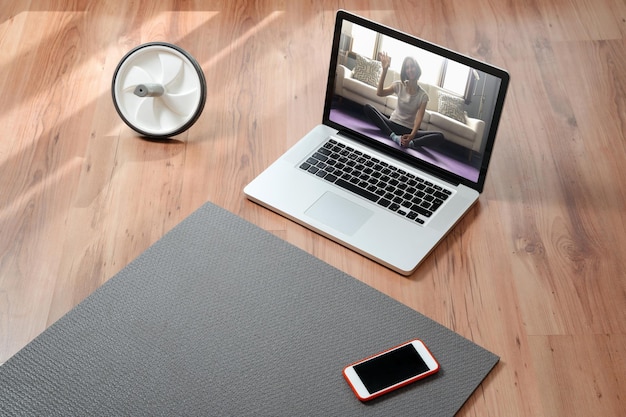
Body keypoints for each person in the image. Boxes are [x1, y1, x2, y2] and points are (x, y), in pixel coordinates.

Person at [364, 52, 444, 148]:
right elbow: (380, 93)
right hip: (392, 124)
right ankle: (394, 137)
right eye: (407, 67)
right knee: (368, 107)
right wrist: (385, 70)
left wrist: (412, 136)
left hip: (409, 130)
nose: (410, 70)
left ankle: (411, 144)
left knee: (440, 136)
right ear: (405, 71)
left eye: (412, 66)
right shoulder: (399, 85)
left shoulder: (423, 96)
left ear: (417, 68)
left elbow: (419, 119)